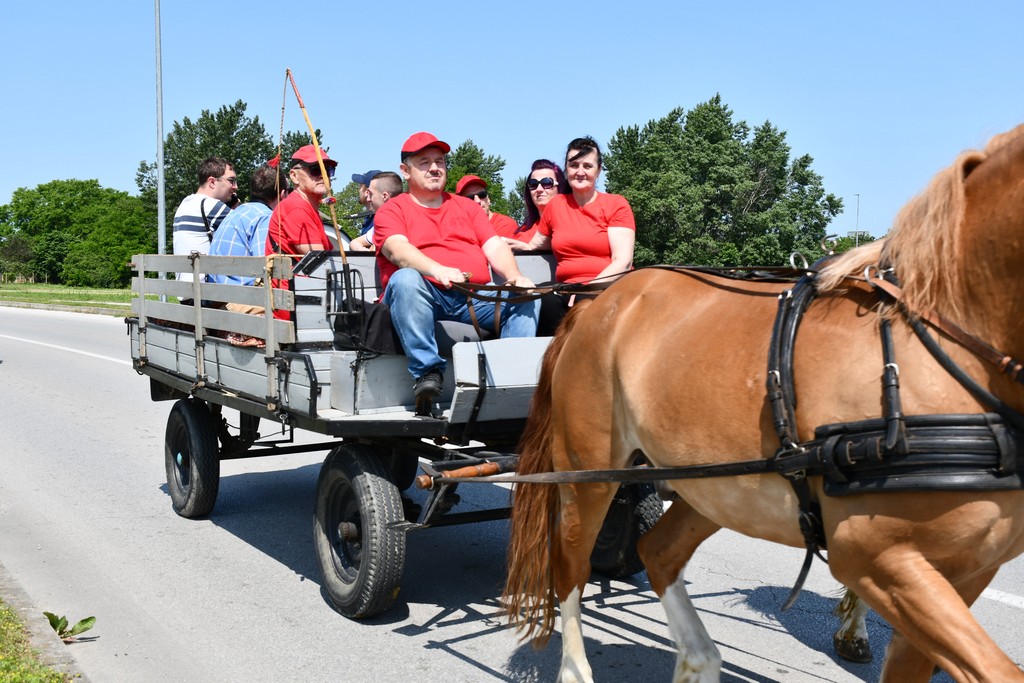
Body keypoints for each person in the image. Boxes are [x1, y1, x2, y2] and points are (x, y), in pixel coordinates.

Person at [373, 132, 539, 414]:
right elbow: (397, 250)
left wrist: (514, 275)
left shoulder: (468, 207)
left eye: (439, 161)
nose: (434, 168)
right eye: (424, 162)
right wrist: (437, 270)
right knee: (405, 279)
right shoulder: (393, 210)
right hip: (423, 294)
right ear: (405, 170)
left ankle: (510, 379)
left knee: (526, 295)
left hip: (471, 297)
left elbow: (494, 245)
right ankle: (427, 373)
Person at [522, 136, 636, 334]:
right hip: (566, 288)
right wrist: (499, 243)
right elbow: (534, 244)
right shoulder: (556, 205)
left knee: (585, 305)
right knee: (541, 298)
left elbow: (623, 262)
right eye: (574, 165)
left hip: (607, 285)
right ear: (566, 170)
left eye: (587, 166)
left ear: (598, 171)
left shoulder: (615, 204)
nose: (580, 172)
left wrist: (586, 289)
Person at [265, 145, 336, 319]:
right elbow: (320, 263)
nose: (323, 175)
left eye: (328, 170)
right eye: (315, 169)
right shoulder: (296, 207)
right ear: (294, 176)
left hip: (303, 296)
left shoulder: (306, 206)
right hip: (295, 304)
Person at [209, 163, 289, 286]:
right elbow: (266, 265)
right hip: (242, 295)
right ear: (282, 194)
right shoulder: (265, 217)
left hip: (215, 292)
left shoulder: (236, 213)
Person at [172, 157, 237, 283]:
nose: (235, 187)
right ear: (212, 182)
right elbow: (248, 230)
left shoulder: (186, 203)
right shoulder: (211, 206)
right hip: (204, 289)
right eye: (231, 181)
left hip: (184, 287)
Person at [505, 159, 571, 251]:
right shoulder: (523, 231)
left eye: (547, 183)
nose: (539, 189)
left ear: (560, 187)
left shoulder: (572, 224)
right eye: (533, 184)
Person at [455, 174, 520, 240]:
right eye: (470, 198)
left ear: (488, 199)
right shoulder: (456, 230)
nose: (478, 201)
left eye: (481, 195)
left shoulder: (504, 224)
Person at [349, 171, 403, 251]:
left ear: (385, 196)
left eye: (371, 193)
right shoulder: (381, 222)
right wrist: (369, 253)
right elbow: (354, 243)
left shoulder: (404, 220)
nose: (368, 198)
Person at [350, 169, 381, 240]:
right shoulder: (370, 217)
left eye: (360, 186)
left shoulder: (378, 220)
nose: (358, 190)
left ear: (367, 192)